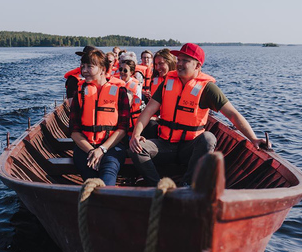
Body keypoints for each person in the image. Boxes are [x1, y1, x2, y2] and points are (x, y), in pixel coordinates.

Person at [128, 43, 267, 187]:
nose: (179, 64)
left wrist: (253, 138)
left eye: (185, 61)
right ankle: (158, 187)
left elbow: (233, 114)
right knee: (136, 149)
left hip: (190, 148)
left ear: (197, 66)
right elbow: (148, 111)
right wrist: (136, 135)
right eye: (178, 60)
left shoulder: (208, 88)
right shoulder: (167, 83)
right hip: (166, 145)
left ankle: (187, 185)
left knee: (208, 138)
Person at [69, 49, 131, 186]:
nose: (84, 71)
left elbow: (123, 128)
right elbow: (74, 130)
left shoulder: (120, 91)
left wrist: (102, 149)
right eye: (83, 66)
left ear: (103, 69)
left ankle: (105, 194)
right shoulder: (79, 93)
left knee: (107, 178)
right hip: (85, 148)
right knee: (91, 180)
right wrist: (92, 151)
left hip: (112, 147)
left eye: (89, 67)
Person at [116, 53, 144, 135]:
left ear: (131, 72)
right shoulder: (115, 83)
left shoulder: (136, 87)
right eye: (120, 69)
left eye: (125, 70)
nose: (122, 72)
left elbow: (137, 103)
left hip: (129, 116)